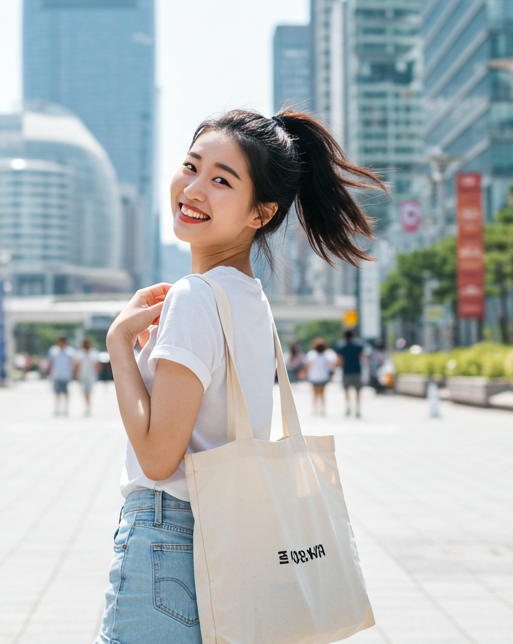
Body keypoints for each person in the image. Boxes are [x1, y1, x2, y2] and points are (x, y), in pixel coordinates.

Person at [99, 108, 385, 642]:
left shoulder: (195, 296)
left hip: (169, 538)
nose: (194, 189)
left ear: (261, 213)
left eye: (221, 180)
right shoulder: (249, 299)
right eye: (191, 166)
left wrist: (118, 344)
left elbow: (159, 459)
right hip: (228, 544)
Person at [335, 328, 365, 418]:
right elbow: (362, 357)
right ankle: (358, 409)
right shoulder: (358, 346)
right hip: (357, 370)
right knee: (358, 391)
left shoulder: (341, 347)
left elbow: (339, 361)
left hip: (346, 371)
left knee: (346, 390)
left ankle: (348, 408)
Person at [47, 335, 79, 416]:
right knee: (57, 393)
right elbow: (50, 362)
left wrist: (75, 374)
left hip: (66, 375)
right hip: (56, 375)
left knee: (65, 393)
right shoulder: (53, 350)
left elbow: (75, 363)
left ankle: (65, 409)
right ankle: (57, 408)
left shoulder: (70, 351)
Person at [303, 337, 335, 416]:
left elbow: (308, 365)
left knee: (315, 393)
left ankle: (315, 409)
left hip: (314, 376)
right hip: (323, 376)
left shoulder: (311, 354)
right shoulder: (327, 355)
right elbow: (331, 365)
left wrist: (305, 373)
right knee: (322, 393)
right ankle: (322, 409)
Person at [77, 337, 100, 416]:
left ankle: (88, 405)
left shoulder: (93, 353)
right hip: (82, 375)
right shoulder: (80, 353)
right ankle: (87, 405)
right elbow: (77, 365)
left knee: (89, 392)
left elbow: (96, 365)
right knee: (84, 391)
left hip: (91, 376)